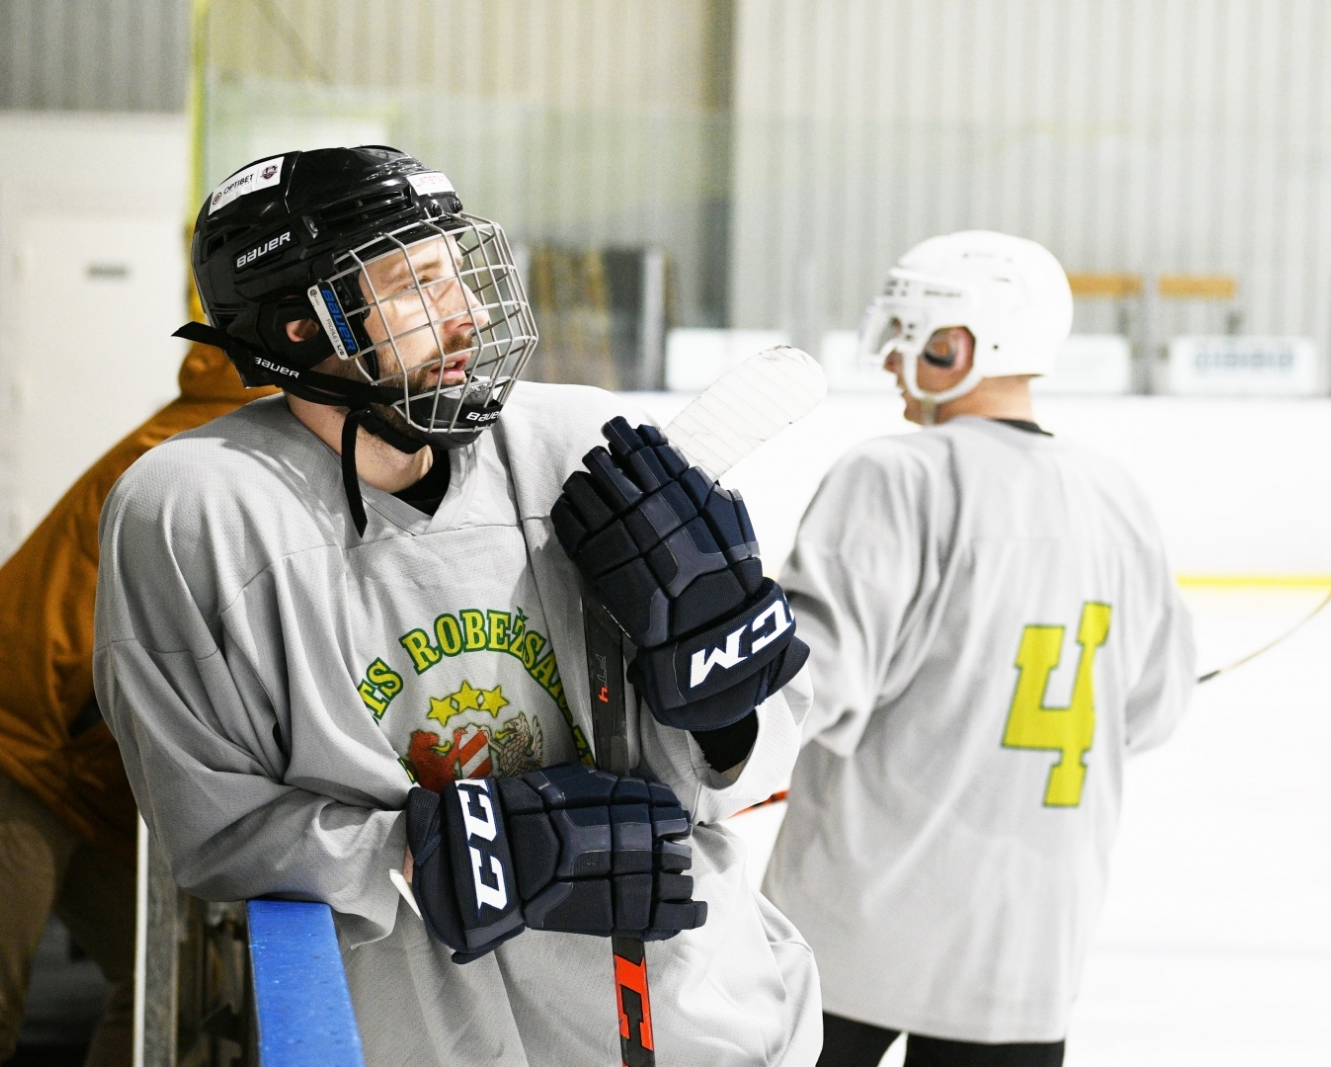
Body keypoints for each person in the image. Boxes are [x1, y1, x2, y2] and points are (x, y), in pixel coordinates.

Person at [95, 146, 820, 1066]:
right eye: (416, 283)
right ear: (294, 326)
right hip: (426, 1024)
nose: (466, 314)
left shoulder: (576, 447)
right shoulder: (197, 511)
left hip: (680, 1010)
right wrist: (422, 848)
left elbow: (725, 781)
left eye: (460, 274)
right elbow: (212, 821)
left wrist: (721, 703)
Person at [760, 232, 1197, 1067]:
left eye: (904, 330)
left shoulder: (896, 475)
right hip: (1025, 952)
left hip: (855, 927)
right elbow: (1155, 705)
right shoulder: (1118, 494)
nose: (892, 357)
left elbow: (808, 685)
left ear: (957, 341)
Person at [0, 341, 272, 1067]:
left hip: (75, 762)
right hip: (5, 739)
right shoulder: (226, 453)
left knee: (161, 991)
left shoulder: (243, 429)